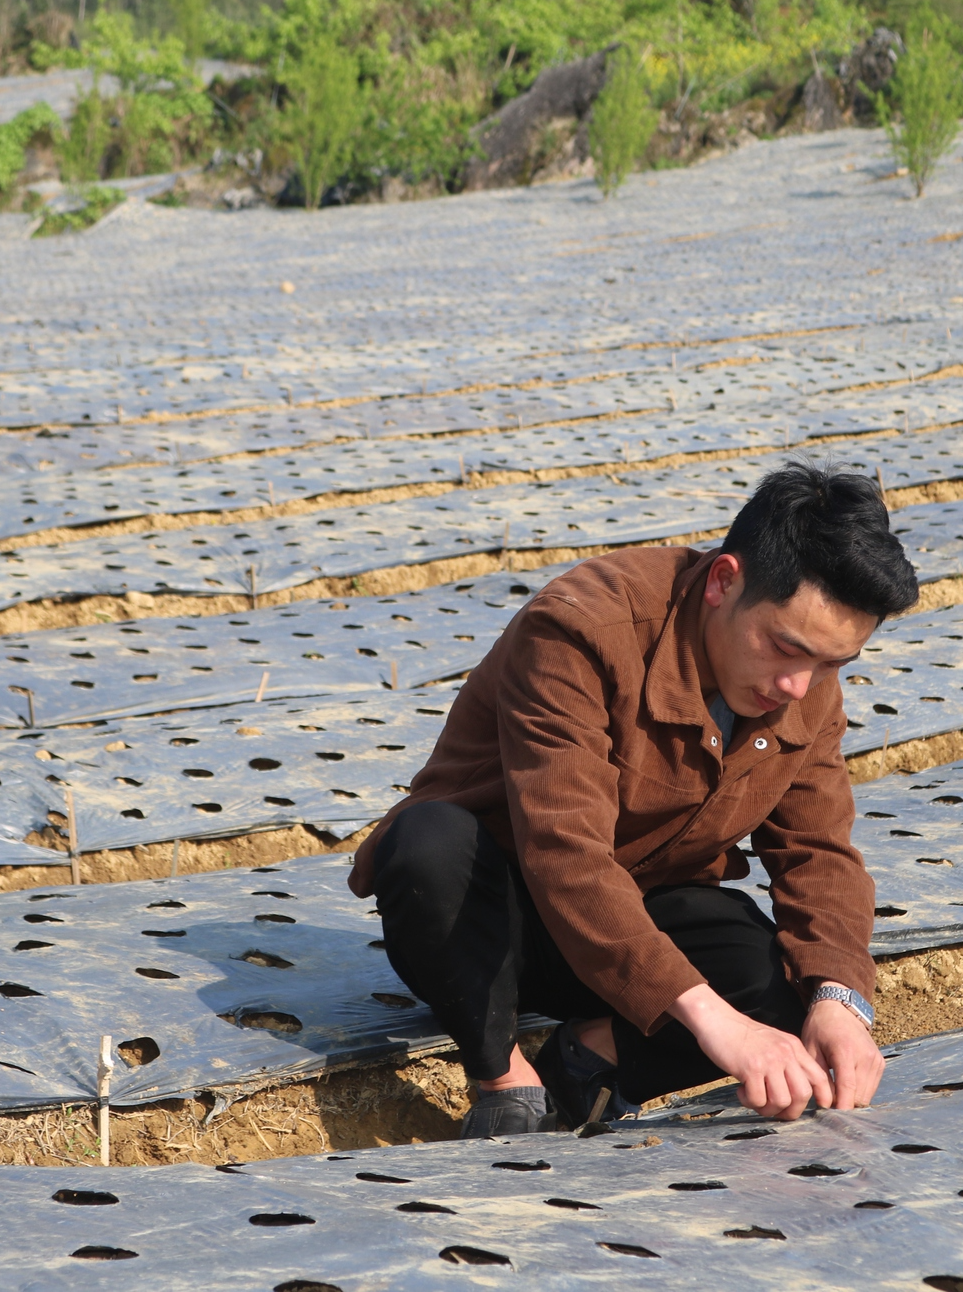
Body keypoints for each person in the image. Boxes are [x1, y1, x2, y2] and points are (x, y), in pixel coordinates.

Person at [347, 461, 919, 1136]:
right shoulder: (582, 631)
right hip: (491, 926)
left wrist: (838, 999)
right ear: (724, 581)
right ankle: (505, 1079)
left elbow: (818, 850)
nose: (799, 684)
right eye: (784, 647)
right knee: (429, 847)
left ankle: (589, 1061)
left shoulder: (803, 688)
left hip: (634, 928)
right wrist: (716, 1023)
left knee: (777, 983)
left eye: (831, 663)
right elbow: (565, 855)